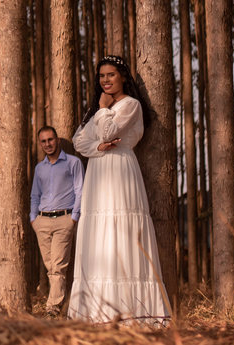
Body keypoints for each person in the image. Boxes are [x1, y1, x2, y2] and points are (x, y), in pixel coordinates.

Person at [68, 55, 170, 325]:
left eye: (111, 75)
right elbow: (79, 141)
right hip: (98, 171)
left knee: (121, 229)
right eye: (101, 76)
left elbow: (109, 132)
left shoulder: (130, 105)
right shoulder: (97, 108)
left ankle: (132, 310)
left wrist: (103, 110)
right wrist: (98, 147)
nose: (105, 80)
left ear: (123, 76)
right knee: (99, 230)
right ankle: (96, 312)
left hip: (121, 169)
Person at [30, 125, 84, 316]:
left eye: (50, 140)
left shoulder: (73, 162)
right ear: (40, 144)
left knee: (58, 267)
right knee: (51, 267)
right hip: (42, 221)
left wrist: (74, 217)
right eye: (43, 141)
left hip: (64, 220)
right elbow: (35, 195)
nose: (48, 144)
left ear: (57, 140)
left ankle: (52, 308)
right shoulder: (39, 168)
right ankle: (60, 305)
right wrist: (33, 219)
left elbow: (80, 190)